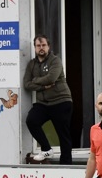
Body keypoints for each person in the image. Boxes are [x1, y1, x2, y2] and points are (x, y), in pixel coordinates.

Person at [22, 34, 73, 164]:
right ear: (34, 48)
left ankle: (65, 167)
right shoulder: (32, 64)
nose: (41, 48)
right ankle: (46, 148)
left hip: (61, 101)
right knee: (31, 120)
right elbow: (27, 84)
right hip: (43, 103)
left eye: (43, 45)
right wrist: (43, 87)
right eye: (38, 46)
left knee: (63, 135)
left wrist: (36, 81)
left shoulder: (55, 61)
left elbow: (51, 78)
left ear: (48, 46)